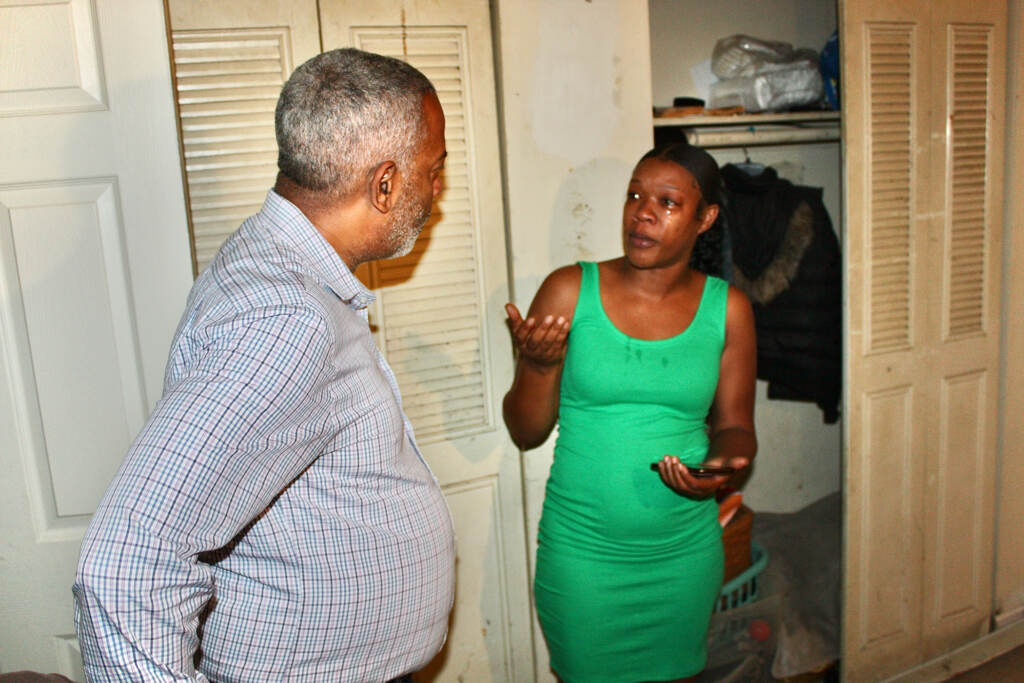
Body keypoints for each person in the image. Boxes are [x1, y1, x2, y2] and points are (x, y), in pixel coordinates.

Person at [73, 48, 453, 683]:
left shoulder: (280, 263)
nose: (436, 192)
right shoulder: (287, 319)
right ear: (384, 183)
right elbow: (128, 564)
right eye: (433, 170)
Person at [503, 142, 758, 682]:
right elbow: (526, 432)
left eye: (667, 203)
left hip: (683, 555)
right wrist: (539, 366)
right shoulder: (569, 291)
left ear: (705, 219)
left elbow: (736, 427)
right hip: (584, 557)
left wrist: (713, 474)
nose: (643, 212)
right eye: (635, 195)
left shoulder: (728, 308)